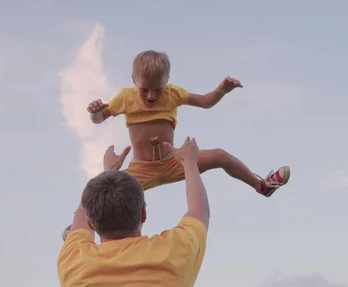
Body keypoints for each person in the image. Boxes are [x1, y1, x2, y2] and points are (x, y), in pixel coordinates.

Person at [58, 136, 210, 287]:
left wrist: (108, 175)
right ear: (144, 214)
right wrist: (190, 163)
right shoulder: (175, 251)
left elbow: (80, 218)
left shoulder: (72, 259)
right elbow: (199, 210)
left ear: (90, 224)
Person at [87, 49, 290, 196]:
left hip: (175, 161)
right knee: (105, 190)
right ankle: (80, 225)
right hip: (141, 169)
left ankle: (261, 185)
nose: (151, 96)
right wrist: (95, 112)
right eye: (144, 89)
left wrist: (221, 90)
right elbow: (99, 119)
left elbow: (204, 102)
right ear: (134, 80)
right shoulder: (124, 97)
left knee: (220, 155)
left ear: (167, 81)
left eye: (158, 89)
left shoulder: (173, 93)